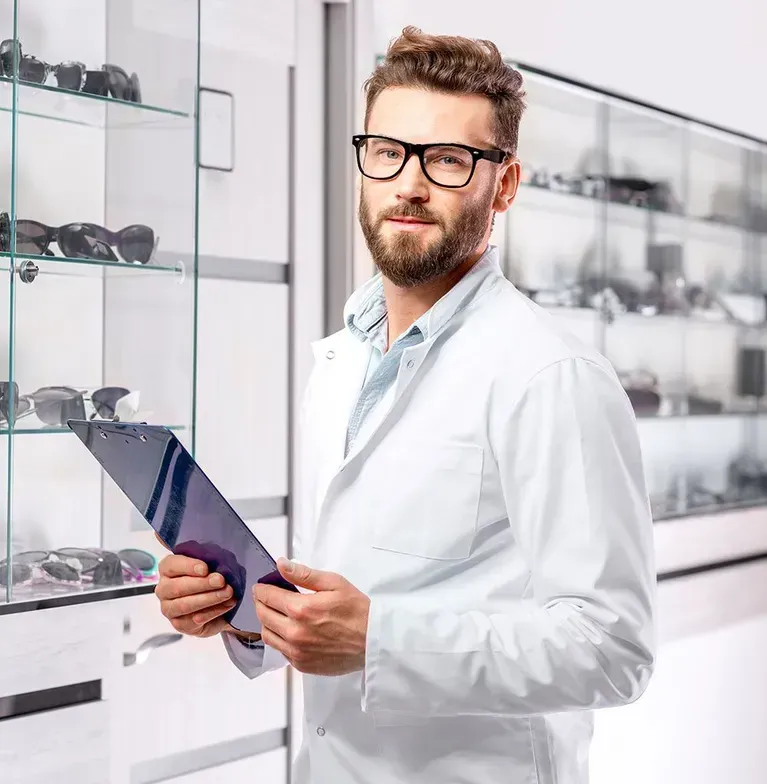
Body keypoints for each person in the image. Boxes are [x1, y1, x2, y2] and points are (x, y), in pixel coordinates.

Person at [154, 26, 656, 784]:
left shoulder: (551, 375)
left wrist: (379, 642)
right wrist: (241, 613)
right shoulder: (342, 359)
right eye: (387, 151)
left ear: (505, 184)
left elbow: (611, 649)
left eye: (448, 160)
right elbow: (350, 596)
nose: (409, 184)